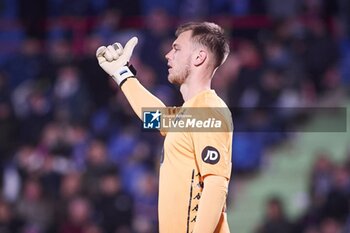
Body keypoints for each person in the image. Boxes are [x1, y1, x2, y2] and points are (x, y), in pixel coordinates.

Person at [96, 22, 233, 233]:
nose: (168, 55)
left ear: (199, 57)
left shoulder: (208, 110)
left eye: (177, 48)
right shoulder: (191, 113)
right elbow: (156, 117)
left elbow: (216, 184)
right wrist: (122, 75)